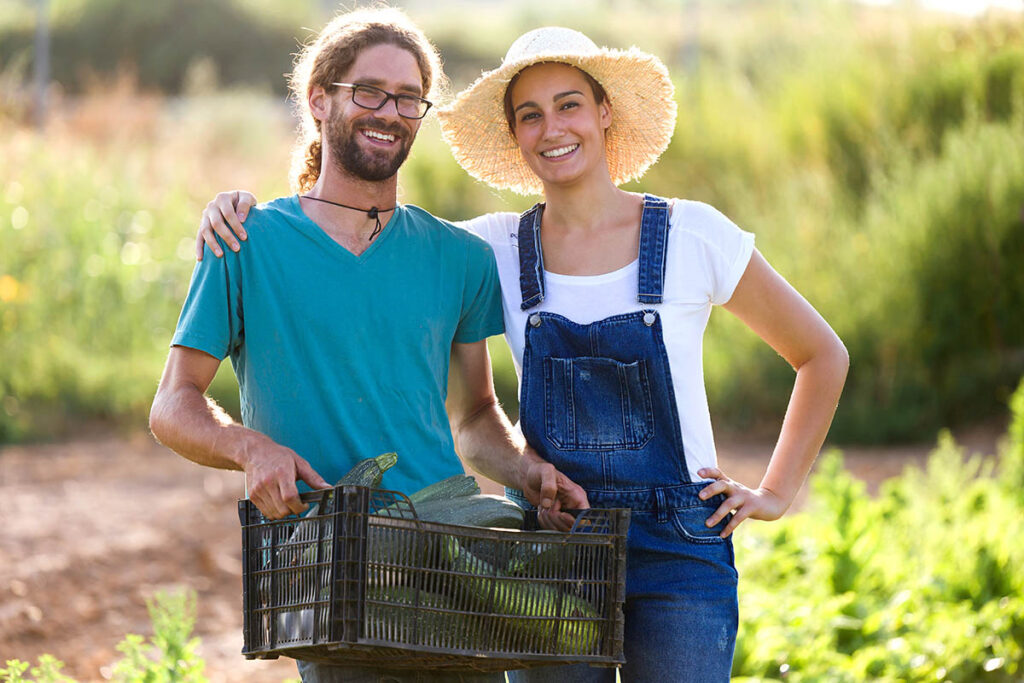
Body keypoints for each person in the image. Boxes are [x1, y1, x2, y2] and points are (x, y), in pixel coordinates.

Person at [197, 26, 849, 683]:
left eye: (569, 104)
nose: (552, 127)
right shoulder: (491, 249)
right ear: (515, 135)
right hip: (550, 548)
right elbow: (365, 232)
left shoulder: (692, 235)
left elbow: (821, 354)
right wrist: (238, 209)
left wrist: (776, 491)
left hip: (678, 546)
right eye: (529, 114)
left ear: (604, 113)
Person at [150, 9, 588, 683]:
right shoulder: (247, 243)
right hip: (332, 567)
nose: (390, 110)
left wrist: (530, 473)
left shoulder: (459, 258)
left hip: (452, 555)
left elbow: (473, 416)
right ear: (318, 98)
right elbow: (173, 405)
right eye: (369, 91)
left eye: (409, 97)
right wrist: (251, 447)